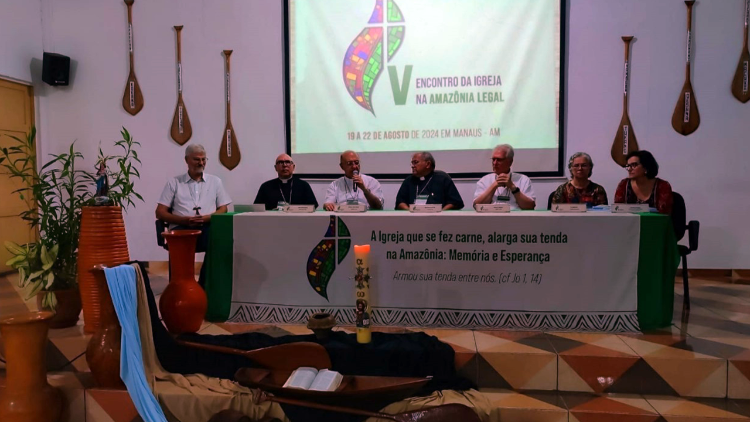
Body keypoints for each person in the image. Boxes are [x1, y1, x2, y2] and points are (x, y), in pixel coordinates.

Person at [156, 144, 231, 286]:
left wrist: (208, 217)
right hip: (181, 229)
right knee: (179, 246)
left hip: (207, 227)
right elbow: (160, 212)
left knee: (220, 242)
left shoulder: (215, 181)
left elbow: (223, 208)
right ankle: (180, 286)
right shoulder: (174, 183)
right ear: (187, 160)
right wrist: (184, 220)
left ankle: (205, 285)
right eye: (197, 159)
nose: (201, 163)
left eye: (204, 159)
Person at [473, 144, 536, 210]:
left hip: (515, 219)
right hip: (491, 218)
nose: (495, 163)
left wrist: (513, 188)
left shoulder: (523, 180)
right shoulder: (484, 180)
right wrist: (494, 186)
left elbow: (530, 206)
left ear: (510, 162)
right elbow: (476, 207)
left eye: (499, 160)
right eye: (493, 159)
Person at [395, 152, 464, 210]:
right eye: (412, 163)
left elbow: (455, 202)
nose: (413, 166)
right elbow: (400, 202)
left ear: (428, 164)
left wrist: (441, 213)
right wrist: (410, 213)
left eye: (415, 162)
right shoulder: (408, 180)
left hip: (440, 220)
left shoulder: (442, 178)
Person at [615, 150, 673, 215]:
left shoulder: (662, 186)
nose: (629, 169)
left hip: (655, 223)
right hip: (629, 224)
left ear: (646, 167)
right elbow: (617, 210)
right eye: (628, 166)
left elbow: (664, 213)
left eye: (634, 165)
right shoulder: (624, 184)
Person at [254, 153, 319, 210]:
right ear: (275, 167)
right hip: (273, 222)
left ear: (293, 167)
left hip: (299, 222)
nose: (284, 165)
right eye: (280, 162)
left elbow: (313, 207)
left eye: (288, 162)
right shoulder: (266, 187)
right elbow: (257, 209)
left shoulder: (304, 185)